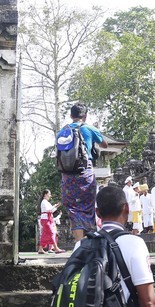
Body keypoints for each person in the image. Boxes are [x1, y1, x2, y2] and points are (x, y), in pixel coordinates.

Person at [75, 186, 155, 307]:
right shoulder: (134, 243)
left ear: (97, 213)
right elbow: (148, 302)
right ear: (126, 208)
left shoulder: (80, 244)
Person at [60, 103, 108, 242]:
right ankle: (90, 241)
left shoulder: (63, 130)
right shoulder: (88, 128)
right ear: (85, 116)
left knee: (73, 207)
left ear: (71, 116)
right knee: (88, 205)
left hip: (67, 174)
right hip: (84, 171)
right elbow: (104, 144)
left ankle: (79, 244)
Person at [37, 189, 65, 254]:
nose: (50, 195)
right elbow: (47, 210)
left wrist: (56, 207)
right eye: (49, 194)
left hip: (48, 219)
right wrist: (55, 205)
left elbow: (51, 211)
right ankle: (56, 248)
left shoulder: (47, 202)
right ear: (45, 194)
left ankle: (40, 249)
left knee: (44, 234)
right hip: (45, 219)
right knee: (52, 233)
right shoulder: (44, 202)